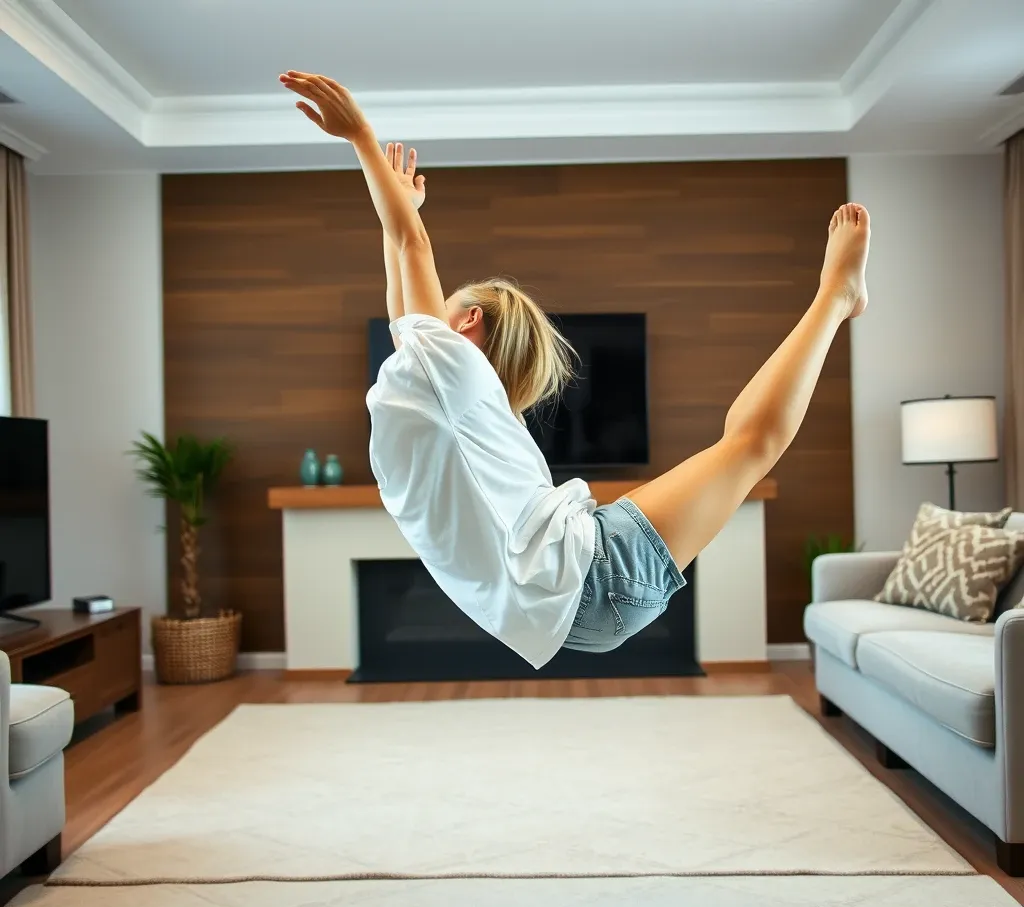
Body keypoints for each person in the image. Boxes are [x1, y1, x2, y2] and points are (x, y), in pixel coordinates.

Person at [280, 71, 870, 670]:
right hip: (590, 585)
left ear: (467, 324)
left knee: (749, 444)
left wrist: (363, 142)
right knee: (747, 446)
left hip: (579, 603)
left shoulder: (452, 381)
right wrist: (377, 178)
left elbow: (412, 252)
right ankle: (835, 299)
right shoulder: (444, 394)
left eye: (443, 308)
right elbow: (404, 278)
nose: (423, 318)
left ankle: (835, 296)